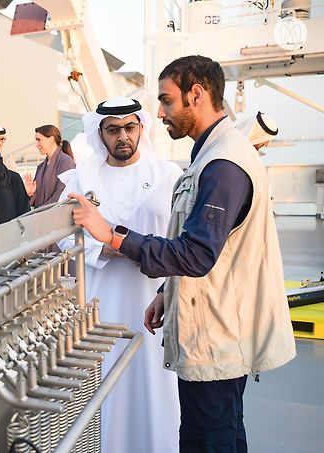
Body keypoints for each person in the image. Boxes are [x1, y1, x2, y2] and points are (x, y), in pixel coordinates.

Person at [69, 55, 296, 453]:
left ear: (196, 95)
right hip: (211, 323)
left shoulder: (224, 164)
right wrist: (166, 294)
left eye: (166, 101)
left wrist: (111, 234)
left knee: (208, 440)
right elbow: (209, 246)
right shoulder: (210, 155)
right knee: (221, 433)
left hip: (218, 334)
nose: (160, 113)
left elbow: (196, 253)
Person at [57, 97, 182, 453]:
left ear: (142, 127)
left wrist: (117, 241)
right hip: (101, 307)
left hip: (154, 304)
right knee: (106, 390)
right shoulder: (82, 179)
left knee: (157, 391)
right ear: (101, 133)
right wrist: (113, 248)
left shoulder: (168, 175)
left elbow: (181, 240)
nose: (122, 136)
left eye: (130, 127)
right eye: (113, 130)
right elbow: (64, 236)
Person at [23, 125, 75, 208]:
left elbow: (61, 196)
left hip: (55, 217)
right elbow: (35, 200)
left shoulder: (66, 162)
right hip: (41, 216)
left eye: (39, 140)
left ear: (51, 139)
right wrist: (31, 193)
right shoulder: (40, 167)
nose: (36, 144)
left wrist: (40, 212)